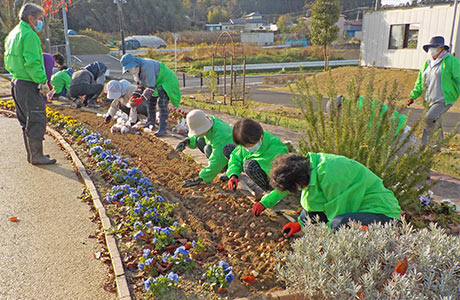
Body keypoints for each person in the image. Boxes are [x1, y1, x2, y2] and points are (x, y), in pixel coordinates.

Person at [269, 153, 401, 236]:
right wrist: (300, 223)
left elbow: (338, 215)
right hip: (357, 206)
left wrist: (321, 245)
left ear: (298, 180)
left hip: (382, 214)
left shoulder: (331, 176)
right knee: (311, 215)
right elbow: (313, 206)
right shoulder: (312, 166)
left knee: (339, 225)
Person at [4, 3, 56, 165]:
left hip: (17, 82)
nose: (40, 23)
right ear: (31, 17)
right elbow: (33, 62)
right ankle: (37, 156)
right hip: (29, 83)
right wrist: (42, 82)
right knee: (36, 118)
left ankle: (33, 155)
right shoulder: (29, 35)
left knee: (25, 120)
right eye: (39, 18)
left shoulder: (14, 34)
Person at [224, 119, 289, 212]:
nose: (247, 149)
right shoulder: (248, 142)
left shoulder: (277, 150)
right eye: (244, 146)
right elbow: (235, 157)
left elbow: (286, 185)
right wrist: (233, 174)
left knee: (249, 166)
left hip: (274, 181)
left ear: (261, 136)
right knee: (229, 149)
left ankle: (268, 190)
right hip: (260, 168)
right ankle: (253, 181)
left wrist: (266, 202)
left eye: (250, 145)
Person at [408, 36, 460, 146]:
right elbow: (420, 82)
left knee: (430, 118)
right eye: (430, 47)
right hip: (429, 99)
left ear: (441, 48)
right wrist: (413, 96)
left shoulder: (451, 61)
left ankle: (426, 145)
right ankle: (435, 146)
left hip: (444, 98)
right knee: (434, 121)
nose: (432, 50)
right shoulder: (428, 63)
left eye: (434, 47)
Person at [120, 53, 181, 136]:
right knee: (150, 103)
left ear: (135, 65)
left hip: (166, 79)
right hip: (156, 81)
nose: (129, 71)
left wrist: (141, 99)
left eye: (129, 69)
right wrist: (135, 96)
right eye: (128, 70)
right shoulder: (137, 71)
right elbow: (140, 85)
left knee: (162, 104)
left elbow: (150, 88)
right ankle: (150, 123)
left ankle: (163, 128)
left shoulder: (146, 67)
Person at [175, 110, 235, 187]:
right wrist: (187, 142)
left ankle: (229, 170)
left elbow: (217, 160)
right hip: (224, 148)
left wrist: (200, 178)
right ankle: (224, 167)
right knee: (200, 140)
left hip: (235, 155)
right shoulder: (210, 122)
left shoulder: (220, 135)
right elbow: (197, 135)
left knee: (208, 149)